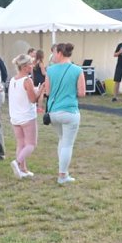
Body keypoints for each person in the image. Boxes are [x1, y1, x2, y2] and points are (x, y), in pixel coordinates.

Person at [45, 43, 85, 185]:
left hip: (54, 112)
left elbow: (47, 92)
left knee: (62, 140)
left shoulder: (49, 70)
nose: (53, 56)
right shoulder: (77, 70)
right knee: (67, 144)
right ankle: (62, 175)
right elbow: (82, 92)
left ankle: (63, 172)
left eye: (54, 52)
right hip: (70, 111)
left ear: (60, 53)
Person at [8, 54, 41, 179]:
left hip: (15, 117)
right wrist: (39, 91)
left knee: (20, 143)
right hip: (27, 116)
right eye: (31, 64)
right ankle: (17, 162)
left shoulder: (13, 80)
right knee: (31, 144)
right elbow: (33, 99)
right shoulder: (27, 81)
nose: (32, 66)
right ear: (25, 67)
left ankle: (23, 169)